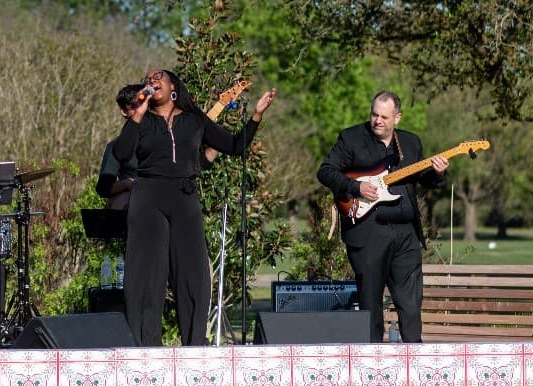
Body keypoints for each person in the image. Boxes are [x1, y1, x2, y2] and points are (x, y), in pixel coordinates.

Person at [113, 68, 277, 347]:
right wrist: (137, 115)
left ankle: (193, 347)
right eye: (148, 79)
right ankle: (145, 348)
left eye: (158, 77)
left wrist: (257, 115)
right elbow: (121, 153)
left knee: (192, 275)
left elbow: (235, 146)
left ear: (173, 85)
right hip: (148, 197)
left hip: (183, 196)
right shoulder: (141, 121)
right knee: (146, 278)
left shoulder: (194, 120)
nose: (152, 82)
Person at [316, 91, 448, 343]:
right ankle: (372, 362)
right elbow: (325, 172)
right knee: (371, 303)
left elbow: (424, 179)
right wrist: (356, 188)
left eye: (384, 117)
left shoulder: (410, 142)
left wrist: (438, 174)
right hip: (368, 232)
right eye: (374, 114)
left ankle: (413, 357)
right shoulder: (351, 138)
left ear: (397, 118)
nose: (378, 120)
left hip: (405, 233)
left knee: (410, 303)